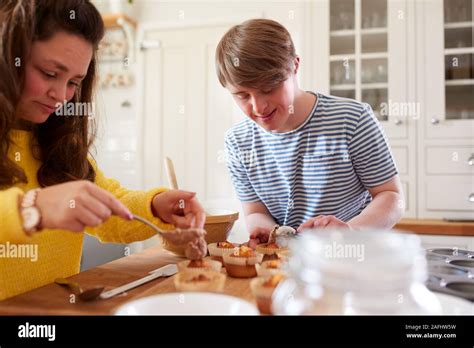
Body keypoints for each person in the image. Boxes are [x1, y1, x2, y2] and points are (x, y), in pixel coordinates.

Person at [0, 0, 205, 301]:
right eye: (48, 73)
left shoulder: (55, 144)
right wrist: (32, 208)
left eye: (73, 82)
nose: (60, 95)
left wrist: (154, 205)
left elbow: (109, 207)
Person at [215, 19, 403, 248]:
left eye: (268, 89)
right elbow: (255, 211)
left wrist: (350, 231)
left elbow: (392, 197)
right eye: (242, 96)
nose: (258, 107)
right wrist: (267, 232)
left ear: (295, 66)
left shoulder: (352, 120)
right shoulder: (237, 142)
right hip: (281, 265)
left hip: (350, 259)